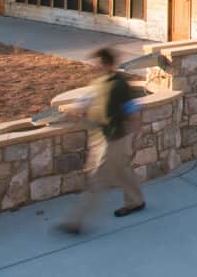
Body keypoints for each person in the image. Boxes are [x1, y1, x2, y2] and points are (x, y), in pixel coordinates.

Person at [57, 48, 146, 234]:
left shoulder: (120, 85)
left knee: (97, 180)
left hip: (114, 139)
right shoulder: (98, 83)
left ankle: (75, 221)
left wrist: (137, 137)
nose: (95, 67)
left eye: (98, 63)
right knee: (121, 171)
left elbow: (133, 111)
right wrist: (71, 110)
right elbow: (86, 100)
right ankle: (136, 201)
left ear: (108, 64)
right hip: (99, 137)